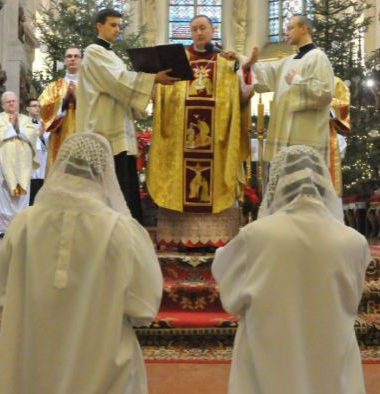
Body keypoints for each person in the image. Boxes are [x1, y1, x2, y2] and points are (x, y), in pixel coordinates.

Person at [0, 132, 163, 394]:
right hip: (102, 374)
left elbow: (2, 297)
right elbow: (144, 308)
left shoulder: (23, 224)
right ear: (105, 172)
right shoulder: (121, 230)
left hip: (32, 369)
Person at [212, 145, 370, 394]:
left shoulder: (256, 236)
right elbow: (352, 299)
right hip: (331, 359)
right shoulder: (353, 241)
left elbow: (231, 298)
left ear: (277, 183)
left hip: (269, 362)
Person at [146, 15, 252, 249]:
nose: (198, 32)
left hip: (216, 145)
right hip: (180, 141)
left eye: (203, 28)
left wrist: (242, 66)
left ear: (212, 31)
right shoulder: (177, 62)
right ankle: (182, 239)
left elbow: (243, 96)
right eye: (194, 29)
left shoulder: (226, 61)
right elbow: (160, 94)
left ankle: (216, 240)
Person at [76, 8, 178, 223]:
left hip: (118, 127)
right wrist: (152, 79)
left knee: (124, 184)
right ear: (99, 26)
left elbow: (123, 85)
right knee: (112, 187)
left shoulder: (111, 55)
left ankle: (125, 232)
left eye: (119, 26)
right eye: (112, 25)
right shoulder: (94, 52)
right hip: (103, 130)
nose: (117, 29)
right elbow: (117, 81)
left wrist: (150, 85)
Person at [243, 14, 334, 164]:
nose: (286, 32)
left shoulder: (318, 57)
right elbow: (266, 72)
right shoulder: (288, 61)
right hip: (284, 135)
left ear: (304, 29)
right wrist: (246, 62)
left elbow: (325, 94)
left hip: (306, 137)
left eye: (290, 28)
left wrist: (297, 82)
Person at [0, 91, 38, 234]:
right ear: (2, 104)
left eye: (13, 101)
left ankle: (18, 229)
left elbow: (32, 136)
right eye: (8, 102)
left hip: (22, 170)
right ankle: (2, 230)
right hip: (2, 168)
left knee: (19, 200)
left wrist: (18, 128)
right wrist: (10, 126)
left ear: (18, 103)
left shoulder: (26, 120)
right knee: (3, 198)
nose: (11, 103)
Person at [39, 47, 81, 172]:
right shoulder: (54, 87)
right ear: (64, 61)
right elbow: (44, 108)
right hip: (59, 136)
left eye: (76, 56)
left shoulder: (89, 85)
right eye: (69, 56)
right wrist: (64, 102)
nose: (72, 59)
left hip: (83, 137)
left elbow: (96, 109)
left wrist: (78, 100)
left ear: (81, 61)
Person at [329, 76, 351, 196]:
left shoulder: (335, 82)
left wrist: (327, 102)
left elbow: (343, 104)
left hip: (327, 134)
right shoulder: (300, 80)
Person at [25, 98, 48, 204]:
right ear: (28, 109)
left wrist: (43, 136)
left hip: (42, 159)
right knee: (31, 193)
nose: (37, 108)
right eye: (34, 106)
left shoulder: (42, 124)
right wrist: (37, 135)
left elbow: (48, 141)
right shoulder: (23, 123)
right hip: (30, 160)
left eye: (39, 106)